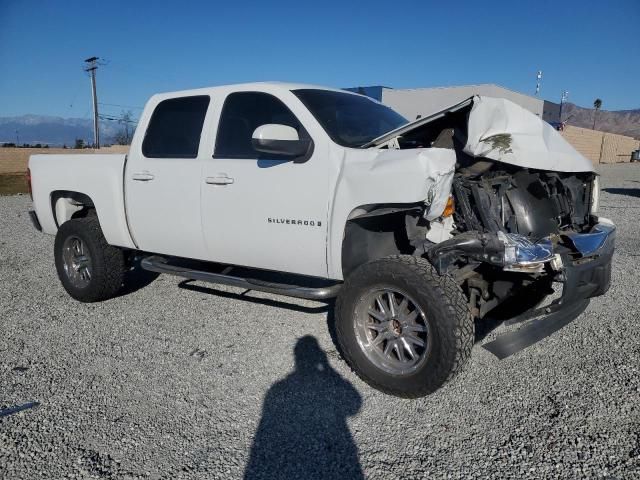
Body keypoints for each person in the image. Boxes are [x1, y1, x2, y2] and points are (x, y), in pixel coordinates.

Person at [244, 335, 363, 480]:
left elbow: (354, 405)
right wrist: (329, 370)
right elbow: (354, 405)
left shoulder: (278, 389)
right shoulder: (279, 389)